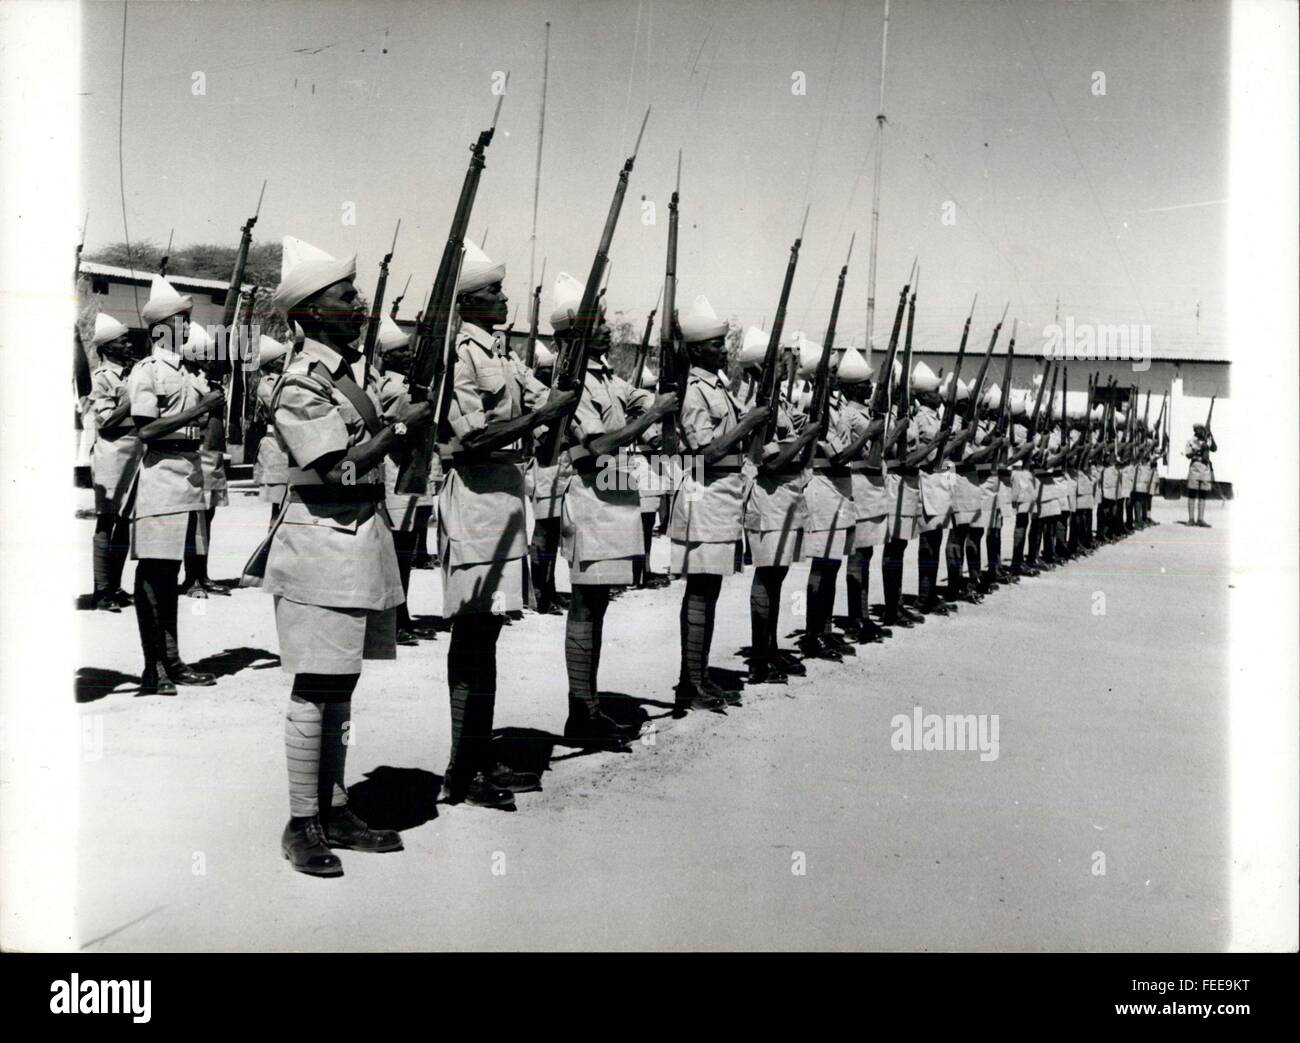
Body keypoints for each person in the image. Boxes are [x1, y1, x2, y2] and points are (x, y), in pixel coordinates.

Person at [259, 236, 412, 876]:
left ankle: (336, 806)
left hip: (359, 539)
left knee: (341, 683)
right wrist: (396, 428)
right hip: (320, 543)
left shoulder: (351, 373)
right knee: (315, 685)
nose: (359, 305)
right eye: (347, 296)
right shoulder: (301, 382)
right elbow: (335, 471)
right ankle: (302, 823)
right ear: (312, 311)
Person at [437, 241, 575, 807]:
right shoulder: (459, 355)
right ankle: (462, 769)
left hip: (505, 498)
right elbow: (471, 437)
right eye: (493, 290)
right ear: (469, 299)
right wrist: (540, 415)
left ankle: (475, 756)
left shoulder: (501, 351)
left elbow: (550, 403)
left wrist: (561, 393)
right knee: (473, 633)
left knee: (488, 633)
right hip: (475, 499)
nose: (504, 296)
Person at [550, 274, 679, 744]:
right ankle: (581, 711)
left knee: (598, 604)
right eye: (597, 324)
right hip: (591, 496)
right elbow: (599, 445)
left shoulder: (604, 376)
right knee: (586, 605)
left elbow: (641, 400)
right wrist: (651, 416)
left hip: (613, 496)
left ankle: (588, 706)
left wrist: (666, 385)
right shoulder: (574, 382)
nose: (606, 330)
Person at [670, 296, 769, 713]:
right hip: (705, 493)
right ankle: (690, 681)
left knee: (709, 590)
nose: (723, 350)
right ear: (696, 351)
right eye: (714, 345)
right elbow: (705, 453)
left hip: (724, 494)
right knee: (701, 589)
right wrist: (747, 425)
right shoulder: (694, 391)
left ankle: (698, 674)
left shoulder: (718, 387)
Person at [127, 276, 222, 695]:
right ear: (160, 328)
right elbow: (147, 431)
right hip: (162, 476)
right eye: (182, 320)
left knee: (173, 575)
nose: (188, 327)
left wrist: (213, 400)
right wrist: (201, 409)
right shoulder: (146, 371)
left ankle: (173, 660)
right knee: (154, 573)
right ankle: (154, 667)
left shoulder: (188, 372)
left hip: (189, 476)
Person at [738, 329, 816, 682]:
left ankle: (769, 648)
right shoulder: (758, 406)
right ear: (761, 367)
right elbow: (770, 462)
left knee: (778, 575)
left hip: (784, 496)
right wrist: (804, 437)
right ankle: (759, 658)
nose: (790, 363)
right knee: (767, 574)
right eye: (783, 359)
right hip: (767, 496)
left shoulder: (778, 401)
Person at [374, 315, 439, 645]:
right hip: (396, 472)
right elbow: (393, 429)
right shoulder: (390, 387)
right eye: (400, 351)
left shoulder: (409, 386)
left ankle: (402, 617)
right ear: (385, 357)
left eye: (408, 350)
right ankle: (393, 620)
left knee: (406, 550)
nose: (408, 355)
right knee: (397, 551)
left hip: (413, 472)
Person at [799, 339, 859, 658]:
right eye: (831, 372)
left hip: (839, 487)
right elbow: (836, 455)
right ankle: (812, 634)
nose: (836, 377)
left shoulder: (834, 405)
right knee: (821, 566)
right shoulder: (814, 406)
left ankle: (824, 629)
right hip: (823, 485)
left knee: (833, 564)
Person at [87, 313, 142, 612]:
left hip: (135, 451)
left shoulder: (133, 372)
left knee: (124, 522)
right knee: (107, 520)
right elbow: (107, 420)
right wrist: (134, 399)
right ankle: (101, 590)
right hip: (112, 453)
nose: (129, 344)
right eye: (123, 341)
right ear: (108, 347)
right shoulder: (101, 378)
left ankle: (115, 587)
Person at [180, 324, 231, 599]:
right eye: (205, 355)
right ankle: (192, 579)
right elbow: (186, 418)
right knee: (194, 519)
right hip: (197, 453)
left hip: (213, 454)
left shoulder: (210, 382)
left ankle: (203, 574)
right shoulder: (186, 382)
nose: (211, 359)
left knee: (207, 517)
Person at [252, 334, 290, 527]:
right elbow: (281, 407)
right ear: (272, 363)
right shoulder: (268, 383)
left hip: (284, 444)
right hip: (276, 446)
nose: (285, 360)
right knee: (279, 506)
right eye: (281, 358)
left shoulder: (282, 380)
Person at [1184, 422, 1217, 526]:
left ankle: (1200, 519)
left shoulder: (1207, 440)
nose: (1200, 431)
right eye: (1198, 429)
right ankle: (1191, 519)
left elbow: (1214, 449)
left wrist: (1211, 435)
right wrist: (1198, 449)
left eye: (1202, 429)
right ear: (1195, 431)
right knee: (1192, 492)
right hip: (1195, 466)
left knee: (1203, 494)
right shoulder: (1191, 441)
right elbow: (1188, 455)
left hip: (1205, 467)